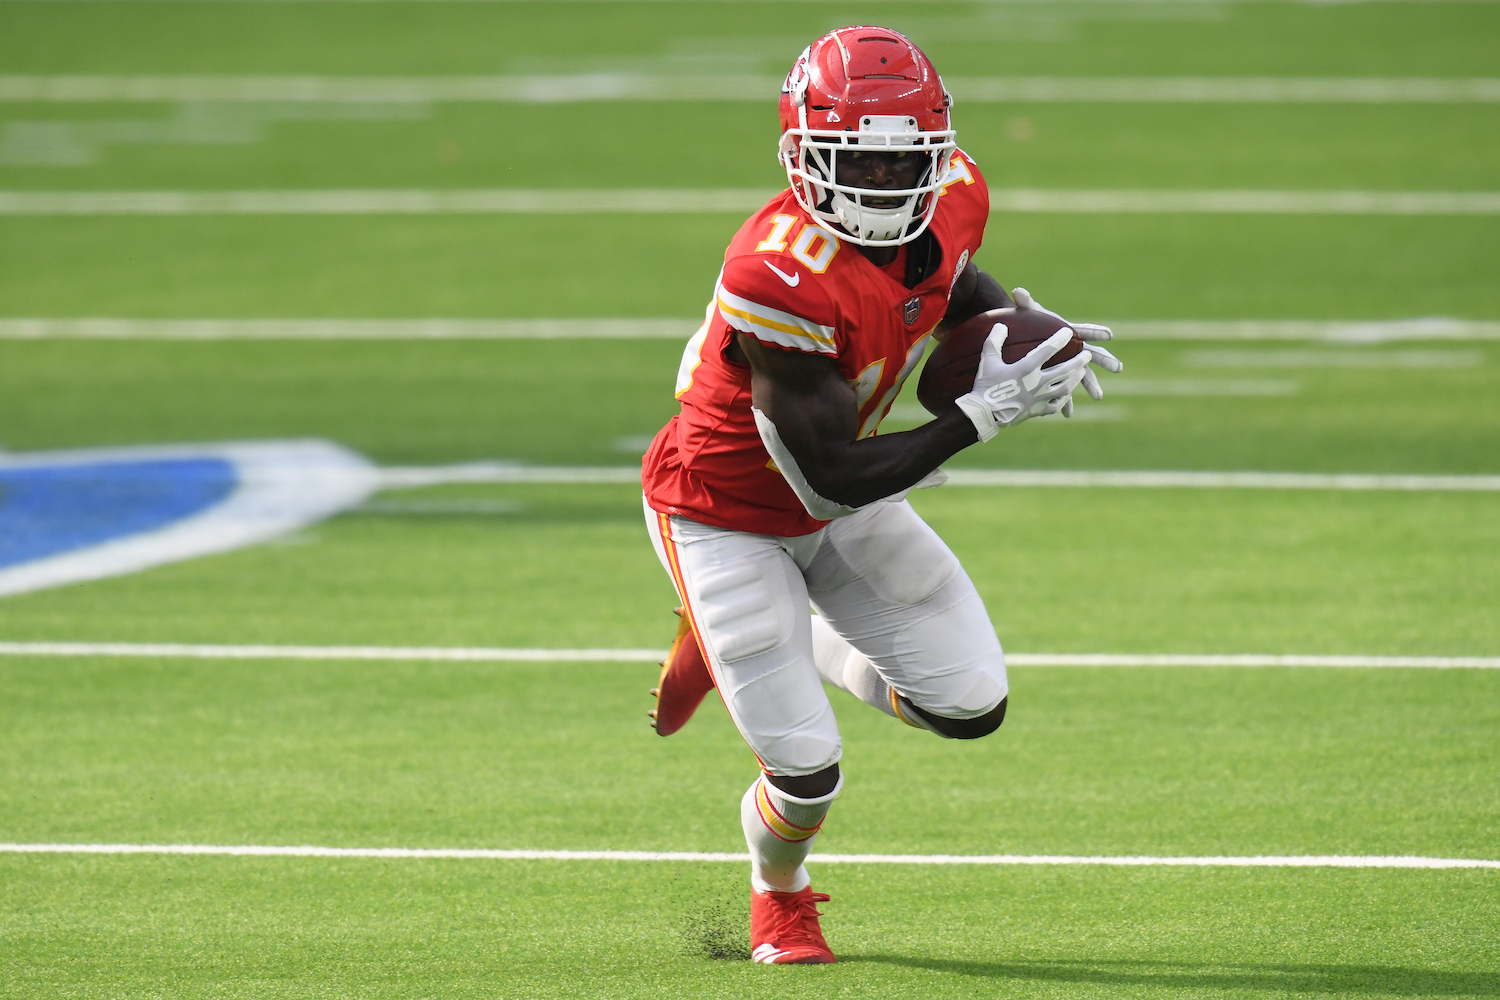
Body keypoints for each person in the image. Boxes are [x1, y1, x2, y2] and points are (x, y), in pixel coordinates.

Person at [639, 26, 1121, 964]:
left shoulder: (954, 199)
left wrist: (1013, 325)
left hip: (841, 499)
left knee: (971, 704)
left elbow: (946, 278)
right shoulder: (775, 271)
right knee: (807, 770)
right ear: (802, 154)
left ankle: (763, 635)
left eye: (906, 166)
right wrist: (980, 416)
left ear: (938, 156)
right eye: (855, 160)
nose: (883, 189)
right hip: (726, 510)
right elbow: (824, 476)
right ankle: (780, 898)